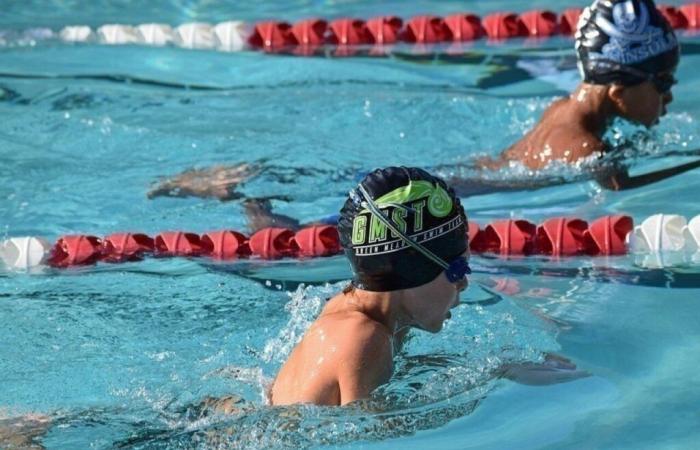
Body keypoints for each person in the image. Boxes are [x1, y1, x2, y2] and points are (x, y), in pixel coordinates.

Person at [146, 0, 700, 209]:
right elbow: (623, 192)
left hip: (456, 174)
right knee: (328, 189)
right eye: (665, 82)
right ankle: (241, 187)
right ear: (620, 88)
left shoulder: (568, 110)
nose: (671, 95)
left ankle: (248, 186)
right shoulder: (584, 144)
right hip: (455, 189)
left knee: (336, 182)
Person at [270, 167, 586, 406]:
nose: (464, 283)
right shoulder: (365, 338)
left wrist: (484, 366)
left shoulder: (360, 311)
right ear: (412, 269)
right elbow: (370, 436)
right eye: (458, 268)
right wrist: (486, 379)